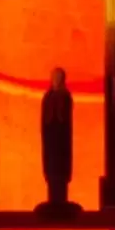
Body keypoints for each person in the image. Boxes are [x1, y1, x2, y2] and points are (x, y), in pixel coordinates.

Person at [40, 66, 73, 206]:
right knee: (51, 168)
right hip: (50, 139)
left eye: (59, 77)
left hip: (61, 139)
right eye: (54, 76)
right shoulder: (47, 96)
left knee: (60, 169)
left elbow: (65, 118)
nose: (56, 79)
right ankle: (52, 199)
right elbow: (44, 118)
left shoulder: (66, 95)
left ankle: (61, 200)